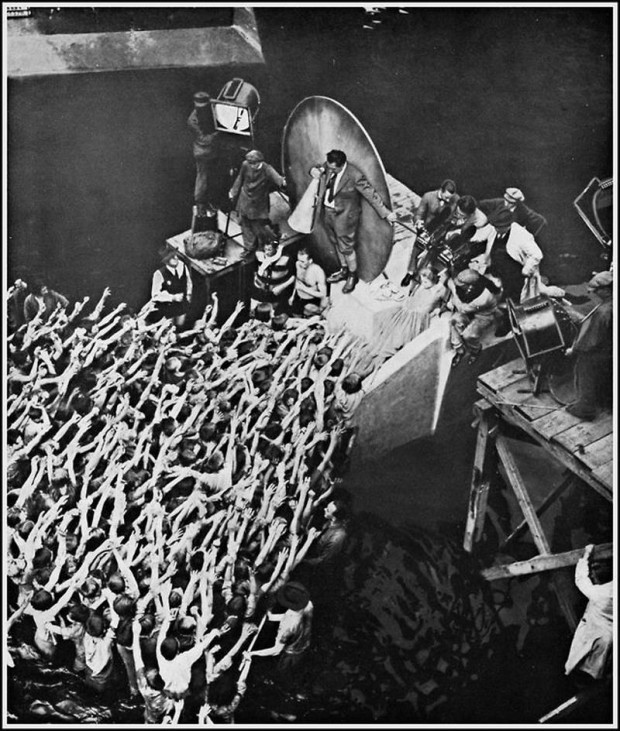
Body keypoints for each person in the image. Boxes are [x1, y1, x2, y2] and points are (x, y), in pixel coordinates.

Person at [311, 150, 397, 294]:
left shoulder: (355, 175)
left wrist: (386, 213)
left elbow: (371, 194)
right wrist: (314, 170)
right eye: (329, 167)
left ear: (341, 165)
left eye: (333, 169)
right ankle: (344, 270)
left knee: (346, 247)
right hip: (328, 212)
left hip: (345, 217)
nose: (330, 170)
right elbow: (320, 168)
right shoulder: (329, 165)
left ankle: (352, 275)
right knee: (336, 243)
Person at [564, 270, 613, 420]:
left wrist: (573, 350)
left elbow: (590, 341)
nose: (594, 294)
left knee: (584, 368)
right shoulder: (609, 304)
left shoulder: (604, 312)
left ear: (606, 290)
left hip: (600, 353)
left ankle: (586, 408)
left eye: (596, 291)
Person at [247, 581, 313, 687]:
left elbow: (276, 650)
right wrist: (272, 616)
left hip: (291, 653)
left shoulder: (287, 627)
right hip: (305, 642)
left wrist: (252, 653)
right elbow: (293, 616)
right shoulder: (308, 605)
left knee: (283, 673)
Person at [374, 265, 448, 360]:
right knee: (391, 329)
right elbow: (413, 297)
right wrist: (407, 302)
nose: (423, 283)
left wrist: (436, 310)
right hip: (408, 311)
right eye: (422, 280)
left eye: (426, 282)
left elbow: (437, 302)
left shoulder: (437, 291)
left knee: (403, 336)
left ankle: (392, 352)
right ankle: (385, 347)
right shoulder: (420, 286)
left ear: (434, 281)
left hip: (417, 318)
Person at [565, 544, 613, 682]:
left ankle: (586, 675)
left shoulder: (601, 594)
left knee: (591, 650)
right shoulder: (608, 589)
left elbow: (581, 579)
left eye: (597, 568)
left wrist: (586, 555)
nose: (593, 573)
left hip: (597, 630)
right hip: (607, 631)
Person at [229, 150, 286, 258]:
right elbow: (240, 178)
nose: (252, 166)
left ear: (260, 161)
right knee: (245, 224)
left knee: (260, 226)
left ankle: (272, 239)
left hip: (258, 203)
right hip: (245, 199)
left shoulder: (267, 169)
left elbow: (278, 179)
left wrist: (283, 182)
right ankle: (249, 248)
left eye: (254, 164)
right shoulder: (245, 165)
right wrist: (233, 192)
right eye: (250, 163)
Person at [401, 179, 458, 286]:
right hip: (428, 228)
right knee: (416, 250)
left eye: (450, 198)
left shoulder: (455, 199)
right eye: (446, 197)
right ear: (441, 190)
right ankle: (410, 272)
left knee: (433, 253)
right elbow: (419, 214)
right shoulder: (428, 196)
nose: (448, 200)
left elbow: (455, 214)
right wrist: (418, 222)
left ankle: (426, 274)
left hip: (442, 230)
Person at [448, 268, 501, 367]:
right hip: (470, 311)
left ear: (470, 286)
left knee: (468, 335)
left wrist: (453, 291)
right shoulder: (472, 285)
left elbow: (462, 309)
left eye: (461, 285)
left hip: (483, 315)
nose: (458, 286)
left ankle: (475, 349)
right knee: (453, 321)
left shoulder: (483, 297)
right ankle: (459, 349)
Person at [187, 91, 220, 217]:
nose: (203, 109)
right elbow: (204, 139)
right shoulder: (192, 121)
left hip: (214, 151)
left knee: (213, 177)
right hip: (202, 152)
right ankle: (200, 205)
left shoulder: (211, 107)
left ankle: (211, 203)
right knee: (203, 178)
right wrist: (219, 133)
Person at [478, 187, 547, 239]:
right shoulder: (498, 202)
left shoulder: (523, 211)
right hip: (491, 232)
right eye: (506, 200)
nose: (506, 204)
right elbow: (480, 204)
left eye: (510, 203)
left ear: (517, 203)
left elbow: (541, 220)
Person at [150, 248, 193, 328]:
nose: (176, 258)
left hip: (182, 304)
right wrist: (172, 297)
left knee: (181, 325)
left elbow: (188, 282)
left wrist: (189, 295)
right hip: (167, 307)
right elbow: (155, 295)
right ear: (166, 261)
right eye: (172, 257)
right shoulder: (159, 273)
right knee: (169, 327)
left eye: (176, 255)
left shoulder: (182, 266)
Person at [250, 239, 295, 316]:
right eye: (265, 249)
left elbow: (293, 277)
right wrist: (257, 281)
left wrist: (281, 287)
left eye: (269, 250)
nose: (266, 252)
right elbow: (254, 270)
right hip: (259, 292)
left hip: (275, 294)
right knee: (254, 313)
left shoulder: (286, 259)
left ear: (276, 248)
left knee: (274, 314)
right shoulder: (259, 255)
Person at [289, 245, 328, 317]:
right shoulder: (298, 264)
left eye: (302, 261)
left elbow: (323, 294)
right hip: (298, 297)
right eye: (298, 260)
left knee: (309, 311)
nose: (300, 263)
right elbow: (297, 281)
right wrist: (292, 296)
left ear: (310, 260)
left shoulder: (318, 271)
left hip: (311, 300)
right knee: (294, 315)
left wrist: (303, 288)